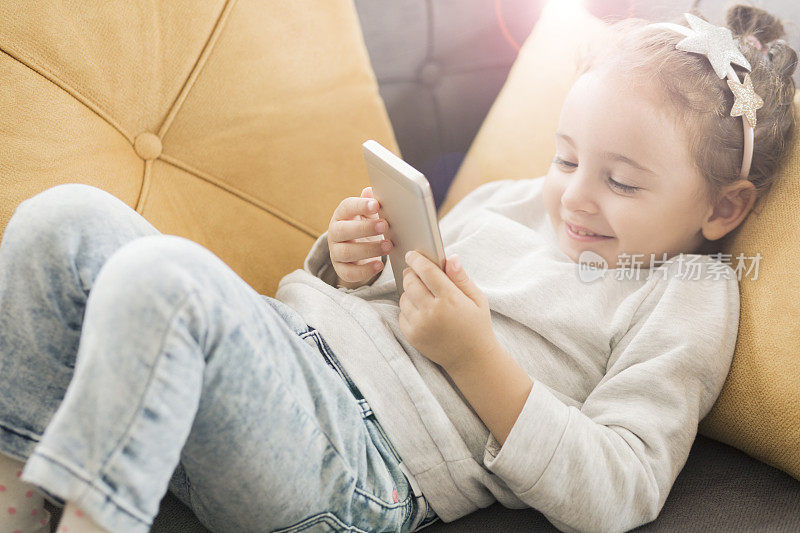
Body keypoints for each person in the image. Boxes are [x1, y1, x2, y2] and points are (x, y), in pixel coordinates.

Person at [0, 4, 796, 532]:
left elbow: (621, 484)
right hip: (285, 348)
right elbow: (399, 301)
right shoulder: (513, 200)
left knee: (160, 283)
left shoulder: (687, 293)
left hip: (352, 460)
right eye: (565, 156)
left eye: (621, 181)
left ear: (722, 209)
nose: (575, 196)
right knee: (60, 218)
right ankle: (21, 497)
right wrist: (352, 261)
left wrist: (472, 354)